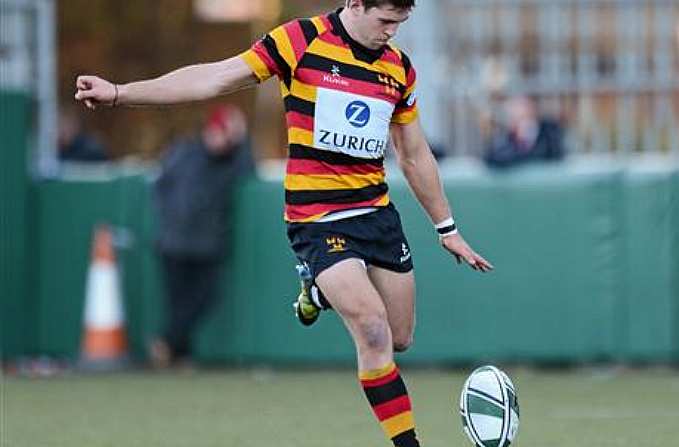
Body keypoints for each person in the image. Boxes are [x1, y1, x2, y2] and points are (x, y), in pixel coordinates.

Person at [74, 1, 492, 446]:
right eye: (385, 20)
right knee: (371, 329)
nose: (392, 31)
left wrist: (446, 228)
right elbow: (213, 77)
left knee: (400, 335)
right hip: (316, 217)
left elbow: (413, 153)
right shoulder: (299, 41)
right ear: (354, 3)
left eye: (400, 23)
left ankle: (316, 291)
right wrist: (120, 92)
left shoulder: (398, 69)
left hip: (375, 215)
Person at [150, 104, 255, 368]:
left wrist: (242, 137)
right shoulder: (184, 151)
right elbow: (161, 185)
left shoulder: (232, 160)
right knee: (179, 301)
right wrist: (169, 218)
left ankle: (168, 344)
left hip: (206, 243)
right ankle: (179, 353)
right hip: (174, 240)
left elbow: (249, 169)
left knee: (204, 298)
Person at [483, 96, 565, 168]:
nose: (514, 114)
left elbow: (552, 155)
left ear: (531, 109)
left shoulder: (549, 131)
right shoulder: (508, 137)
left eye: (519, 108)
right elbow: (492, 158)